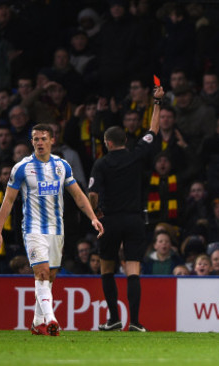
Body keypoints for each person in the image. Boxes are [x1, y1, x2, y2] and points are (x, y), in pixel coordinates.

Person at [0, 123, 104, 336]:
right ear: (31, 142)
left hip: (56, 231)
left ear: (52, 140)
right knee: (41, 273)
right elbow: (8, 201)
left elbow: (78, 195)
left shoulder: (62, 166)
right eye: (35, 139)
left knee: (49, 278)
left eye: (43, 138)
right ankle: (51, 319)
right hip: (33, 229)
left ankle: (36, 322)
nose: (39, 143)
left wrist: (92, 217)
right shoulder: (22, 168)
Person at [88, 86, 164, 332]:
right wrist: (157, 102)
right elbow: (153, 130)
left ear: (108, 143)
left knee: (107, 269)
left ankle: (113, 319)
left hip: (109, 220)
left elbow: (92, 194)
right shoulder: (136, 155)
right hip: (134, 220)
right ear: (125, 141)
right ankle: (135, 322)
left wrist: (95, 214)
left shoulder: (101, 163)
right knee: (133, 270)